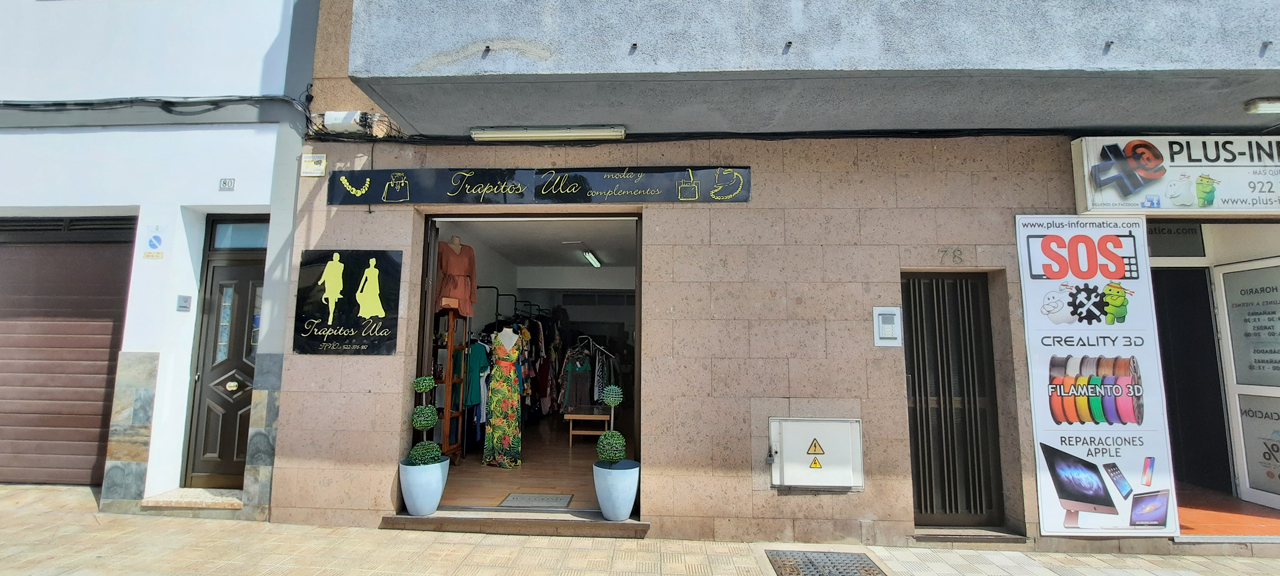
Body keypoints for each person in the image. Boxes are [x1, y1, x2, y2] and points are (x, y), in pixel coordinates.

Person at [317, 253, 344, 324]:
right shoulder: (332, 264)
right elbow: (326, 272)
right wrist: (321, 281)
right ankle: (331, 313)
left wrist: (341, 285)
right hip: (330, 283)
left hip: (335, 283)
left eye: (337, 257)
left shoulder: (340, 265)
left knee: (332, 299)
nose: (335, 258)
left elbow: (339, 275)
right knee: (331, 298)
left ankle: (331, 314)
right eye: (335, 256)